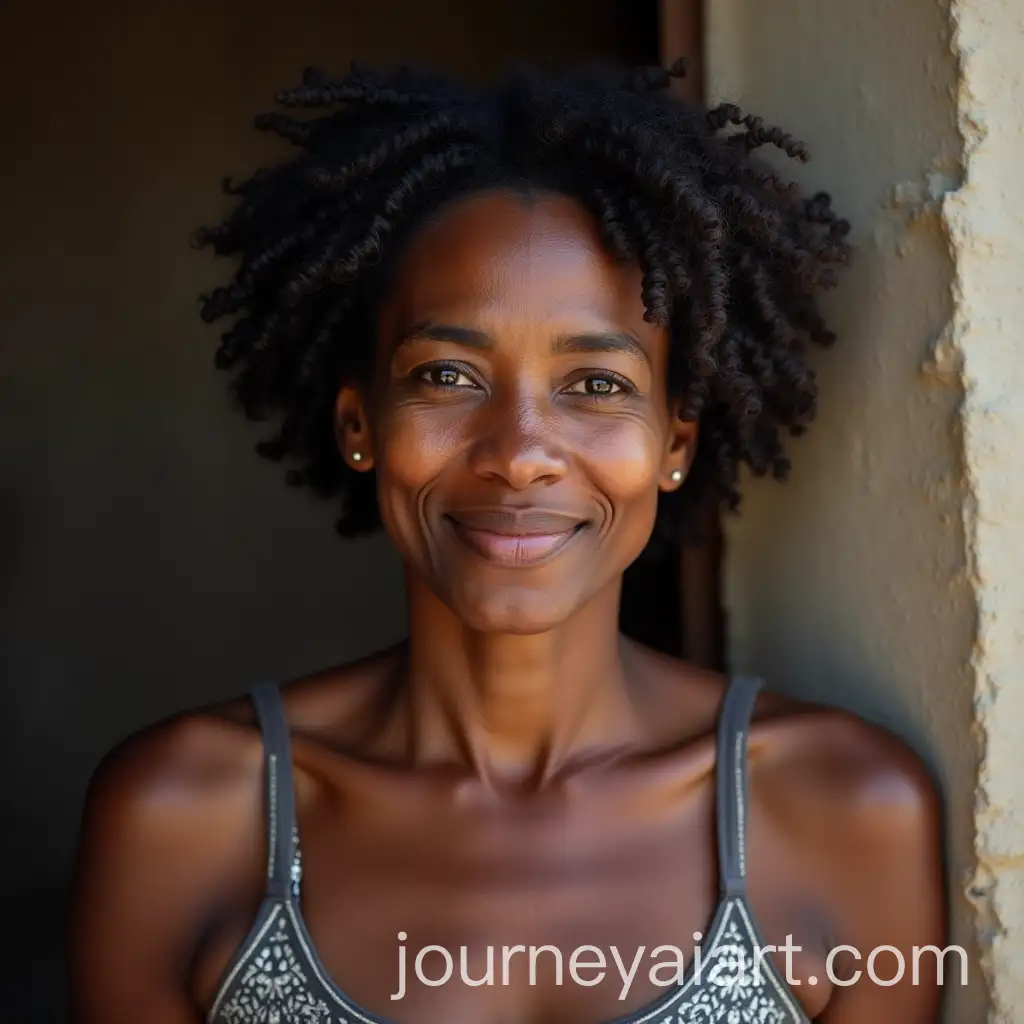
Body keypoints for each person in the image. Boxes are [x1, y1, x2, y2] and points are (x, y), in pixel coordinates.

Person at [70, 60, 945, 1023]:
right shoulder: (188, 813)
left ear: (674, 446)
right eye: (447, 375)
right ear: (360, 424)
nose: (521, 454)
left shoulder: (845, 810)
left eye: (598, 385)